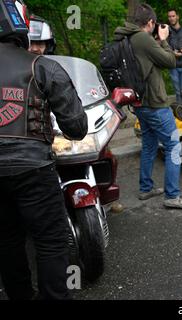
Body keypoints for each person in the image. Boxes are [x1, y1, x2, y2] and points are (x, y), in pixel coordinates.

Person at [0, 0, 88, 300]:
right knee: (51, 241)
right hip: (33, 168)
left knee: (7, 240)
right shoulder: (43, 66)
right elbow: (77, 126)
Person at [114, 4, 182, 209]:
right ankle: (172, 195)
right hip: (154, 103)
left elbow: (152, 62)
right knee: (173, 146)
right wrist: (165, 40)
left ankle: (145, 188)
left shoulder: (128, 37)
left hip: (140, 102)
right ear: (150, 22)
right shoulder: (142, 38)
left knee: (149, 145)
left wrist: (157, 42)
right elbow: (170, 61)